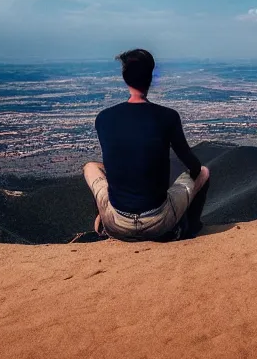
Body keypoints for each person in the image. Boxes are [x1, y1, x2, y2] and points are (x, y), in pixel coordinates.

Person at [83, 49, 210, 242]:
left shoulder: (104, 118)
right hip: (158, 221)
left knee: (91, 167)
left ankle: (103, 222)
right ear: (151, 78)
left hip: (117, 222)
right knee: (203, 172)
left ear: (125, 78)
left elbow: (116, 159)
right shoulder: (168, 117)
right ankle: (189, 229)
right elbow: (193, 166)